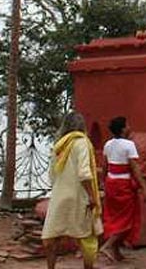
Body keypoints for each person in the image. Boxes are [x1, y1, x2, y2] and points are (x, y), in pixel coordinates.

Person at [41, 111, 102, 269]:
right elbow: (84, 173)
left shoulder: (59, 145)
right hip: (79, 196)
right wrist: (92, 196)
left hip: (60, 196)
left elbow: (52, 175)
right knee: (87, 238)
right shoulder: (82, 143)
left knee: (52, 237)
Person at [100, 116, 146, 262]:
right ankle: (108, 246)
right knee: (126, 219)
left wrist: (103, 183)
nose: (130, 127)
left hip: (111, 183)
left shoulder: (108, 144)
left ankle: (116, 252)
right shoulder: (129, 145)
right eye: (127, 125)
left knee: (114, 217)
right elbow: (135, 169)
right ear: (123, 129)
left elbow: (104, 166)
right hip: (123, 185)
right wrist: (145, 188)